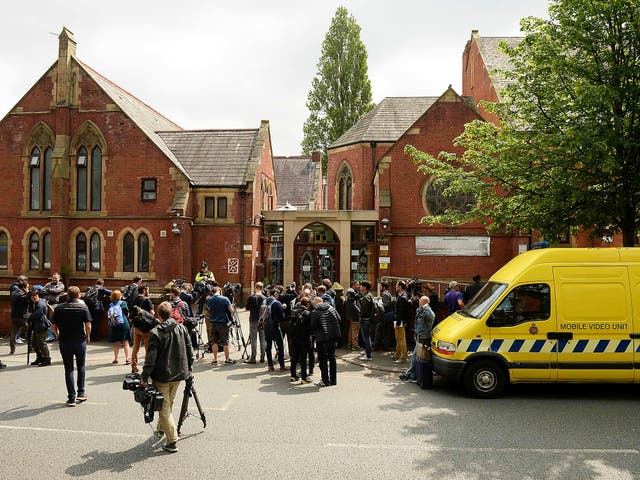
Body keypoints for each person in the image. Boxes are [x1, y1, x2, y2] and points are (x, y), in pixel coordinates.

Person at [140, 301, 193, 454]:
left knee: (163, 407)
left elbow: (150, 359)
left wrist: (144, 377)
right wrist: (189, 369)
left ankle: (172, 440)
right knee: (168, 403)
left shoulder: (156, 332)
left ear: (158, 314)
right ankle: (160, 430)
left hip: (162, 375)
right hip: (179, 373)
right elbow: (189, 349)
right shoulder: (182, 328)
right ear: (172, 313)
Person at [50, 286, 92, 407]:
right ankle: (81, 392)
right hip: (79, 340)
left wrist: (57, 335)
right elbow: (88, 324)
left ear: (68, 295)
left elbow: (53, 326)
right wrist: (88, 336)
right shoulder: (83, 307)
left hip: (65, 340)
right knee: (81, 366)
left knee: (68, 369)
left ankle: (71, 398)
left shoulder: (59, 308)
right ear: (78, 295)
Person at [400, 296, 435, 382]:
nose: (419, 303)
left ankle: (408, 374)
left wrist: (426, 308)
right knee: (417, 357)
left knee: (416, 356)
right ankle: (413, 375)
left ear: (424, 303)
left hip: (423, 337)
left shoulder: (428, 312)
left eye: (420, 302)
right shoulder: (421, 310)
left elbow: (431, 316)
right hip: (419, 336)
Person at [310, 296, 341, 387]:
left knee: (323, 360)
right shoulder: (331, 308)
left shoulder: (315, 312)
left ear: (315, 303)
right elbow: (339, 319)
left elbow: (313, 326)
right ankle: (333, 380)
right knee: (332, 358)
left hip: (322, 338)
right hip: (333, 336)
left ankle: (325, 380)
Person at [206, 285, 235, 365]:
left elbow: (209, 309)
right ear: (220, 291)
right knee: (225, 342)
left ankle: (215, 359)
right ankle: (227, 358)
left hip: (213, 323)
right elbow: (231, 310)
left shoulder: (209, 300)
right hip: (223, 323)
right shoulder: (225, 299)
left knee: (214, 342)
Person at [130, 284, 155, 373]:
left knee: (135, 347)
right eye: (147, 289)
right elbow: (152, 313)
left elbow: (130, 314)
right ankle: (147, 368)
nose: (148, 291)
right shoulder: (147, 300)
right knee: (148, 349)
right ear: (144, 290)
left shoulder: (135, 299)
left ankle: (134, 366)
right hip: (146, 328)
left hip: (136, 327)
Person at [289, 296, 311, 383]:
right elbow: (309, 327)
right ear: (307, 304)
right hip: (304, 338)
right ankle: (304, 378)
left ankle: (293, 375)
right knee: (303, 358)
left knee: (294, 357)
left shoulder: (293, 311)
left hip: (294, 338)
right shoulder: (307, 313)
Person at [263, 287, 286, 372]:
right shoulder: (277, 303)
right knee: (280, 346)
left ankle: (270, 365)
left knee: (268, 347)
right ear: (276, 294)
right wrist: (283, 309)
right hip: (275, 327)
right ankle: (282, 366)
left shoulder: (264, 301)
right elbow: (281, 317)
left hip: (266, 326)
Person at [28, 288, 52, 366]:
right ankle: (40, 357)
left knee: (42, 342)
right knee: (34, 343)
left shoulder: (41, 304)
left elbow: (37, 315)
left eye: (36, 295)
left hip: (42, 325)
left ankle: (47, 358)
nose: (35, 297)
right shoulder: (34, 303)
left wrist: (29, 316)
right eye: (33, 296)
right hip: (36, 326)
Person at [107, 290, 131, 364]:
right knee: (126, 342)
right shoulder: (123, 303)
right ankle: (127, 358)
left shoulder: (111, 304)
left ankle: (116, 358)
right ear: (119, 296)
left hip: (114, 324)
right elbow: (127, 313)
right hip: (123, 323)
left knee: (116, 342)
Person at [244, 281, 266, 364]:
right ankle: (263, 357)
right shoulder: (264, 298)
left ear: (256, 287)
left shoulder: (251, 297)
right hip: (262, 320)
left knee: (254, 339)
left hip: (253, 319)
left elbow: (247, 308)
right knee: (263, 339)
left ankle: (253, 357)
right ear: (262, 288)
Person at [10, 275, 30, 355]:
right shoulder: (23, 295)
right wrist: (27, 292)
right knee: (29, 332)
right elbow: (28, 301)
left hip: (14, 316)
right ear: (24, 287)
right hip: (23, 317)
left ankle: (12, 350)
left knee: (13, 333)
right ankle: (31, 347)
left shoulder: (14, 293)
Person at [358, 280, 374, 361]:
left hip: (365, 319)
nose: (359, 287)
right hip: (368, 319)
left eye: (361, 285)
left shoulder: (365, 298)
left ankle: (368, 355)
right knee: (368, 337)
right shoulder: (369, 295)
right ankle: (367, 352)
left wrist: (360, 316)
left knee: (366, 338)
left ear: (364, 287)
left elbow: (363, 311)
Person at [393, 281, 409, 363]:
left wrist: (398, 322)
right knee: (398, 338)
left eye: (396, 285)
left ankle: (403, 356)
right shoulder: (402, 295)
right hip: (399, 320)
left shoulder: (403, 297)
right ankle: (398, 353)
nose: (395, 287)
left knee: (401, 338)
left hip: (400, 320)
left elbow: (401, 312)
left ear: (400, 287)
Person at [345, 280, 361, 351]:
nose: (359, 286)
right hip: (354, 314)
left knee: (351, 329)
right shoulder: (352, 293)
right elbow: (354, 305)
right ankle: (355, 345)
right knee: (355, 330)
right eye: (357, 285)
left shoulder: (350, 293)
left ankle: (350, 344)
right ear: (353, 285)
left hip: (351, 314)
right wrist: (359, 311)